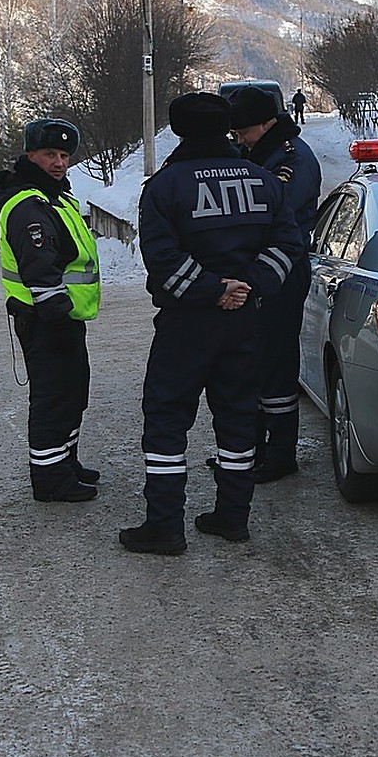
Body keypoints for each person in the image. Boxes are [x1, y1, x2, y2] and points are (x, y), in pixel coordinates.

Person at [119, 92, 306, 555]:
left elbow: (162, 260)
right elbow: (290, 243)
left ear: (178, 131)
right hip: (246, 319)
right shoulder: (264, 181)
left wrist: (211, 289)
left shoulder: (164, 187)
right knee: (239, 415)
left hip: (187, 323)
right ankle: (232, 517)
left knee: (166, 419)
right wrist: (249, 285)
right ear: (225, 128)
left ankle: (164, 525)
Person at [0, 119, 102, 503]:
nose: (59, 162)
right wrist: (58, 317)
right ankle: (49, 478)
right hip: (46, 319)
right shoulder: (29, 204)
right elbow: (40, 270)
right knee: (53, 397)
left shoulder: (55, 197)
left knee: (72, 393)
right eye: (49, 155)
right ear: (30, 156)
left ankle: (64, 461)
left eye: (63, 155)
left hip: (62, 318)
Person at [227, 84, 321, 482]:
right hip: (260, 270)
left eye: (244, 133)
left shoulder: (290, 159)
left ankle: (280, 453)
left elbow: (267, 214)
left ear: (266, 125)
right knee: (254, 363)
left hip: (282, 270)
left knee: (276, 363)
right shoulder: (262, 153)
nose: (240, 141)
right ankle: (255, 449)